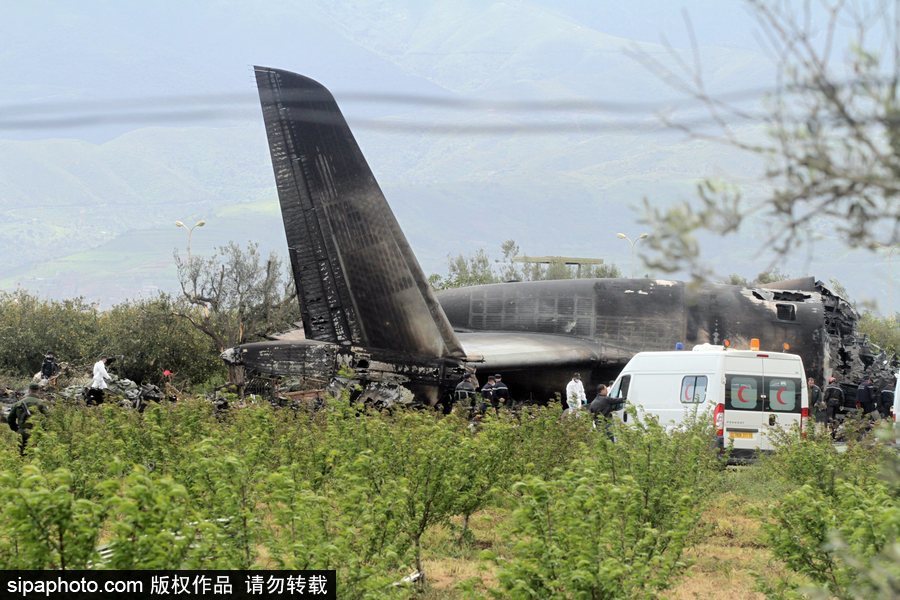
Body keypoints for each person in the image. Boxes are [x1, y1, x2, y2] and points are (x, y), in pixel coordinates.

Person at [7, 383, 48, 455]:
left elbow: (10, 419)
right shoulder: (41, 403)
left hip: (21, 432)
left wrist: (16, 429)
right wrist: (43, 430)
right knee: (35, 455)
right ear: (38, 390)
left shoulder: (18, 403)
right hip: (36, 432)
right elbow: (49, 418)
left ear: (29, 390)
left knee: (20, 454)